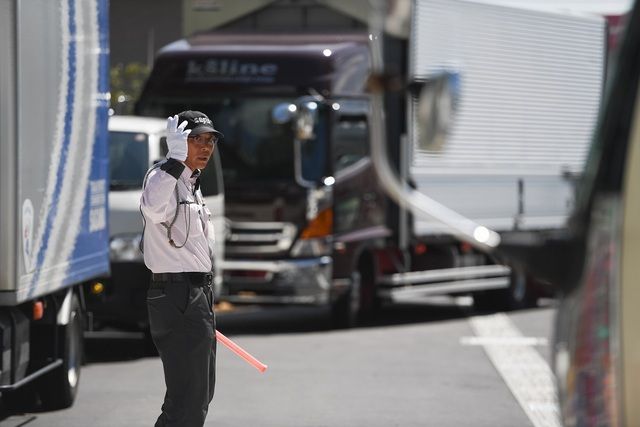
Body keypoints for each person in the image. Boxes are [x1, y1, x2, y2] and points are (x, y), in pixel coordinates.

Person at [140, 110, 223, 427]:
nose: (205, 147)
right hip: (177, 293)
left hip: (196, 293)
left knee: (200, 394)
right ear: (177, 142)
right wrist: (174, 161)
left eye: (210, 140)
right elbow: (152, 208)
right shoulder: (163, 177)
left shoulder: (191, 184)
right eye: (196, 139)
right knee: (187, 399)